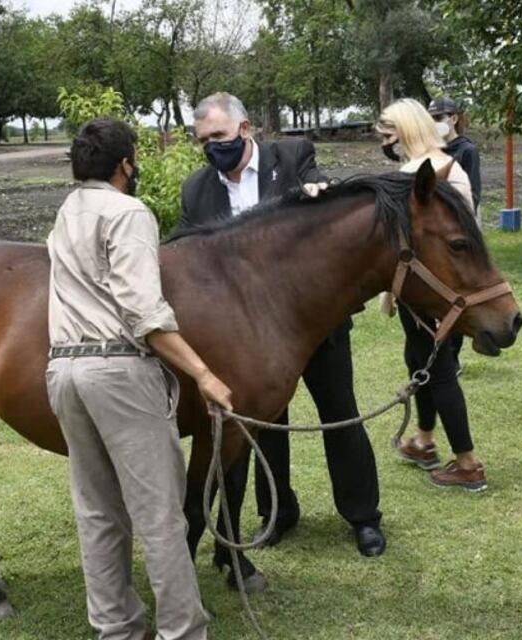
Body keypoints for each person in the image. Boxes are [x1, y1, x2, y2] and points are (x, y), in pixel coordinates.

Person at [46, 118, 234, 640]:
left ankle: (118, 630)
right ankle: (182, 631)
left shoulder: (66, 212)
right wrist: (203, 374)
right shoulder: (128, 212)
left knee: (98, 513)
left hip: (63, 369)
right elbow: (144, 313)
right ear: (125, 164)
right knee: (160, 517)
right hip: (118, 372)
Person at [178, 93, 386, 557]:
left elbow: (318, 186)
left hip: (317, 323)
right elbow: (188, 254)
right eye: (204, 141)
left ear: (246, 129)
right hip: (248, 337)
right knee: (263, 425)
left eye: (220, 136)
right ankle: (278, 511)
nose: (213, 147)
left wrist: (319, 188)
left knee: (341, 416)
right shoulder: (197, 189)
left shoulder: (291, 157)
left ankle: (363, 516)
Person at [378, 98, 488, 492]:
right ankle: (424, 440)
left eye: (388, 132)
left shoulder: (436, 171)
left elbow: (461, 236)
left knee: (438, 371)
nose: (384, 140)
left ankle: (468, 463)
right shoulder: (417, 169)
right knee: (418, 360)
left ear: (406, 130)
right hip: (418, 290)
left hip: (438, 290)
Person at [428, 96, 482, 376]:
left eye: (440, 118)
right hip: (433, 234)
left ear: (454, 118)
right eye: (431, 118)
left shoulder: (466, 150)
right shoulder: (432, 150)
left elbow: (473, 194)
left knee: (458, 294)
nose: (436, 123)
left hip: (458, 232)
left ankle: (453, 357)